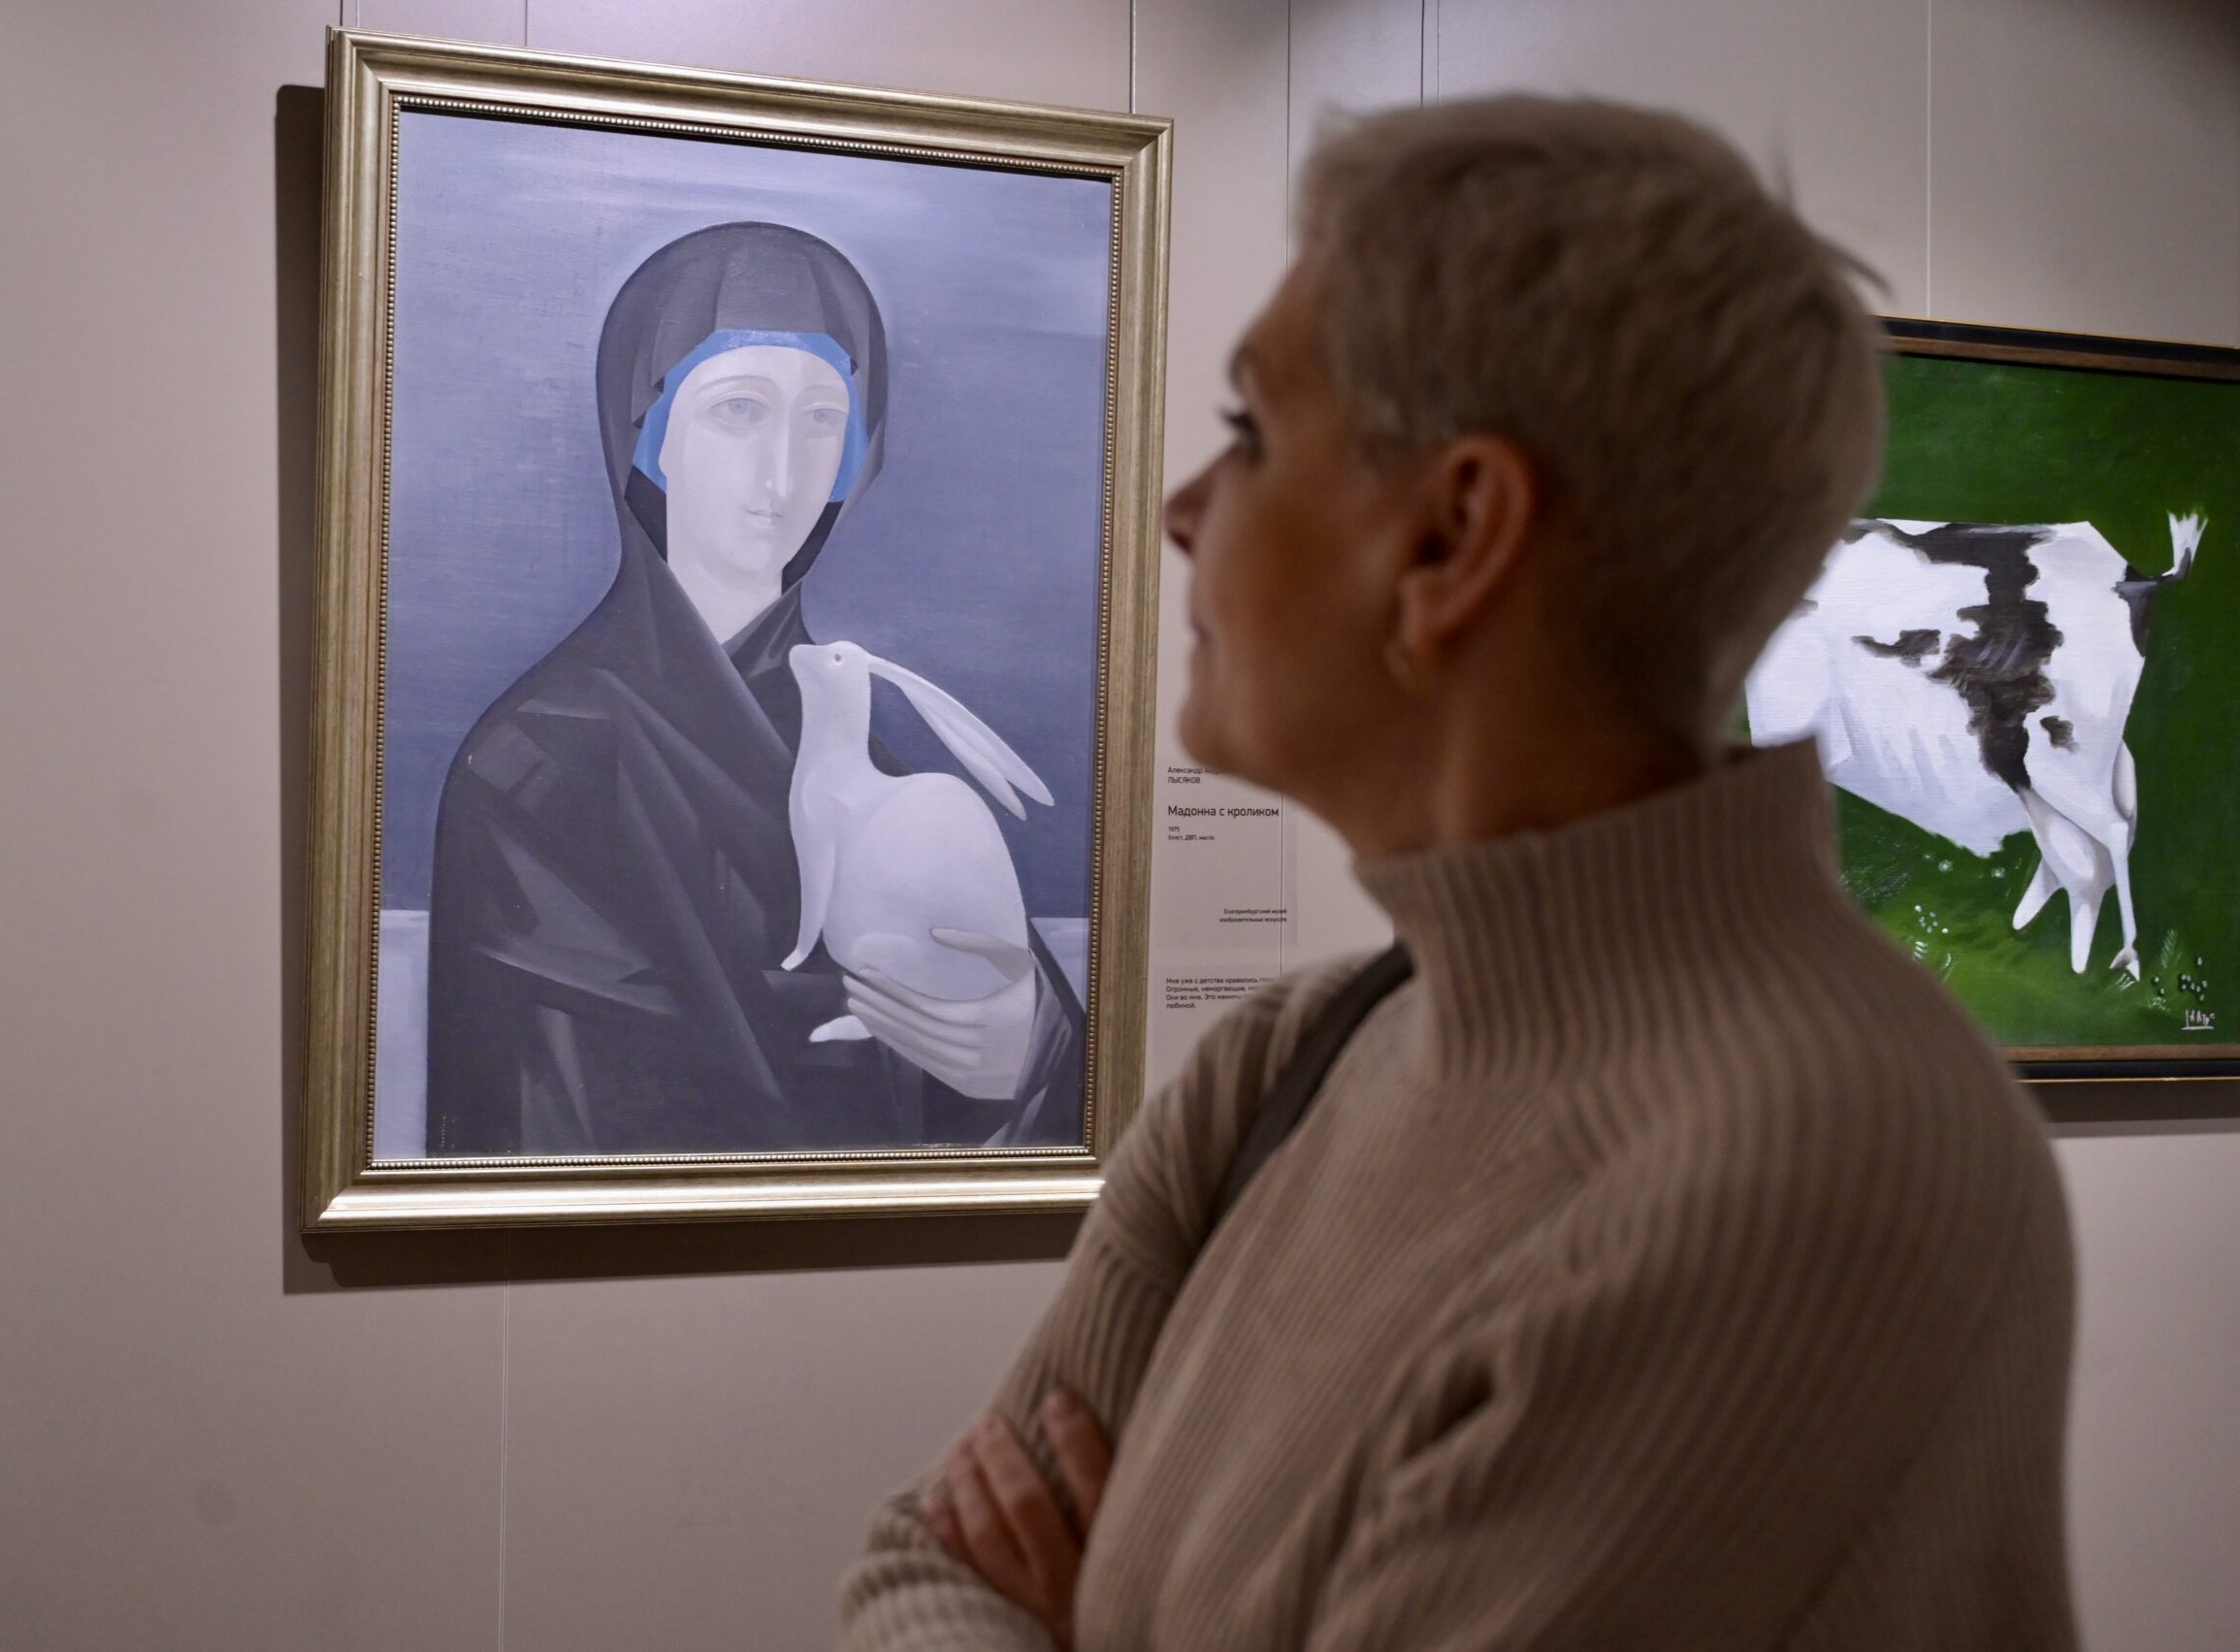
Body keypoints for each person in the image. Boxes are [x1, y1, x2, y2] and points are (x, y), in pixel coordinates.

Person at [838, 97, 2079, 1650]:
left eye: (1250, 430)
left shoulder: (1802, 1172)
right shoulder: (1288, 1059)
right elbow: (925, 1558)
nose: (1182, 511)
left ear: (1452, 536)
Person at [426, 222, 1087, 1157]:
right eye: (738, 410)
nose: (783, 472)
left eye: (822, 419)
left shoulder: (859, 747)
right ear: (648, 436)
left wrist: (1023, 1045)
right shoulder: (530, 763)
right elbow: (537, 1133)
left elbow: (1047, 1084)